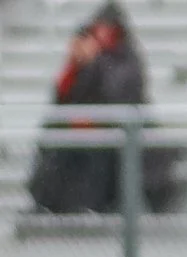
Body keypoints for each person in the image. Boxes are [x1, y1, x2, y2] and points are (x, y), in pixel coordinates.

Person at [27, 2, 174, 216]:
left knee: (95, 156)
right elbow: (63, 97)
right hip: (77, 132)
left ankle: (89, 206)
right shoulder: (81, 64)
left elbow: (119, 93)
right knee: (54, 150)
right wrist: (76, 65)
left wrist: (93, 63)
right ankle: (49, 203)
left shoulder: (125, 58)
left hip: (113, 134)